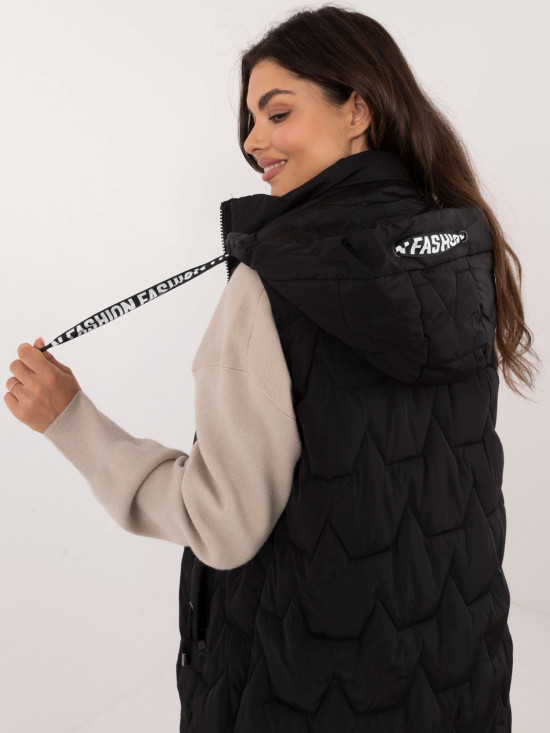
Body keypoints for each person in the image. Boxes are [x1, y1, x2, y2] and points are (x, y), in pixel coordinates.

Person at [4, 5, 540, 732]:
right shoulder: (462, 248)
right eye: (250, 120)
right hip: (456, 677)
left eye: (277, 112)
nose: (253, 141)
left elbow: (221, 523)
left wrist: (71, 421)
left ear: (359, 110)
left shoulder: (271, 288)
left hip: (302, 690)